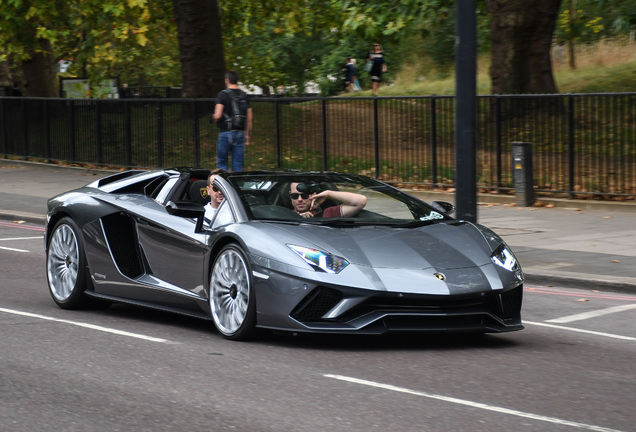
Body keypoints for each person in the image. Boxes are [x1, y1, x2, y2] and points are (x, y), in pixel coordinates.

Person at [212, 70, 253, 172]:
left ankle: (223, 186)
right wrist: (247, 135)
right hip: (240, 133)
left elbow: (217, 115)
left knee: (222, 164)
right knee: (238, 166)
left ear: (227, 80)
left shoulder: (222, 94)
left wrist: (213, 117)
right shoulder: (245, 95)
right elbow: (249, 117)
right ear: (236, 81)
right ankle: (235, 187)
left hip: (225, 133)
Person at [289, 182, 367, 218]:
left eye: (304, 195)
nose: (299, 199)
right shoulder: (284, 214)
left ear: (313, 195)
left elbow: (361, 201)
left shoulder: (327, 214)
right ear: (290, 195)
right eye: (295, 196)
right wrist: (298, 218)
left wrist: (327, 193)